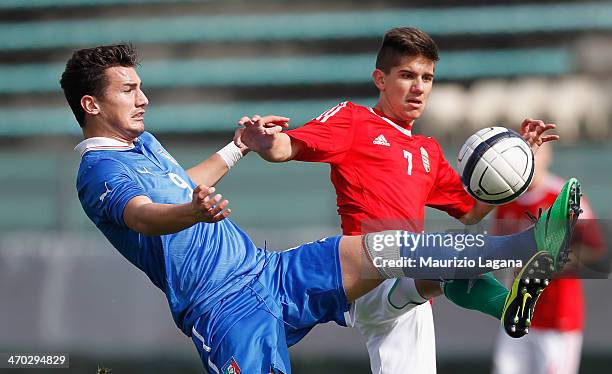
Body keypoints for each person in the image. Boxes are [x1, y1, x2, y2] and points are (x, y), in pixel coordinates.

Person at [62, 43, 579, 374]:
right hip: (221, 309)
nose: (143, 98)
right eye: (129, 90)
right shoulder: (99, 172)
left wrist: (236, 148)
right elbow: (145, 215)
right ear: (92, 105)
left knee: (395, 250)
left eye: (140, 86)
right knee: (416, 266)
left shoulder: (142, 144)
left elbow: (180, 186)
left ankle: (527, 245)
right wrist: (194, 212)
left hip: (266, 271)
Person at [235, 27, 569, 373]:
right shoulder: (354, 120)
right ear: (380, 78)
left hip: (409, 283)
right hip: (364, 274)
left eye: (427, 77)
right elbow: (286, 147)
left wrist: (520, 166)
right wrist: (264, 142)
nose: (419, 86)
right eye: (407, 75)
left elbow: (471, 211)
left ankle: (511, 306)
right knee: (440, 257)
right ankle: (516, 275)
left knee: (438, 261)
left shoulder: (428, 150)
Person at [491, 144, 603, 374]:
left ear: (548, 156)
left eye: (536, 151)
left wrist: (553, 263)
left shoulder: (564, 196)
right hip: (517, 313)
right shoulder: (507, 201)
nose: (529, 159)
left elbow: (597, 250)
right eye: (523, 152)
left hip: (557, 317)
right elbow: (497, 251)